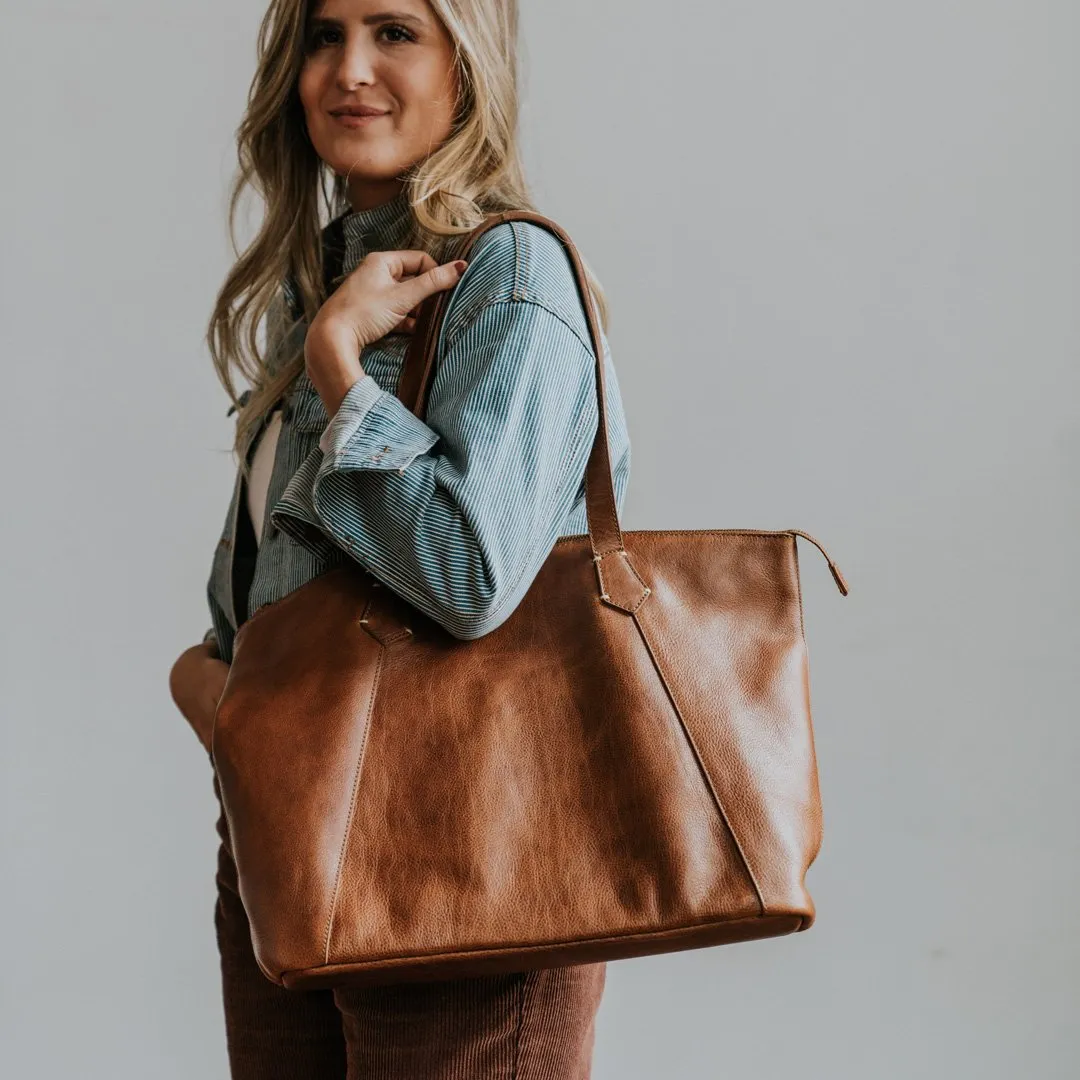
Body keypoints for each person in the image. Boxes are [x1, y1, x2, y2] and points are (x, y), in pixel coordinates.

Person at [169, 0, 632, 1076]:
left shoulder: (509, 278)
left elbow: (467, 576)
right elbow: (276, 596)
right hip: (290, 838)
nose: (351, 69)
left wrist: (339, 373)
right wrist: (210, 690)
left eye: (396, 32)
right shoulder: (334, 287)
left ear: (468, 67)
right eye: (325, 36)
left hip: (460, 844)